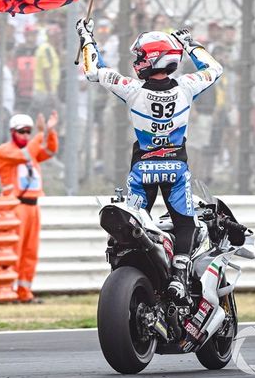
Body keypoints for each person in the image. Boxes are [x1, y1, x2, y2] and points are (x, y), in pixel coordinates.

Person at [76, 18, 223, 306]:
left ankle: (133, 274)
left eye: (140, 56)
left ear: (152, 60)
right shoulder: (187, 87)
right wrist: (190, 44)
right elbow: (215, 69)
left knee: (132, 228)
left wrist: (86, 37)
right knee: (184, 223)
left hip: (142, 170)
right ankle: (179, 274)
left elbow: (94, 70)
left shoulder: (132, 89)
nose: (137, 60)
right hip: (176, 169)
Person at [0, 111, 59, 303]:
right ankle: (8, 292)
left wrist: (50, 131)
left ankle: (24, 292)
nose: (25, 135)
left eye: (28, 131)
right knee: (14, 251)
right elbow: (25, 155)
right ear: (12, 132)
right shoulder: (5, 151)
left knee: (30, 252)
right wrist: (40, 134)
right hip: (15, 208)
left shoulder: (32, 149)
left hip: (33, 208)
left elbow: (50, 151)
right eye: (22, 131)